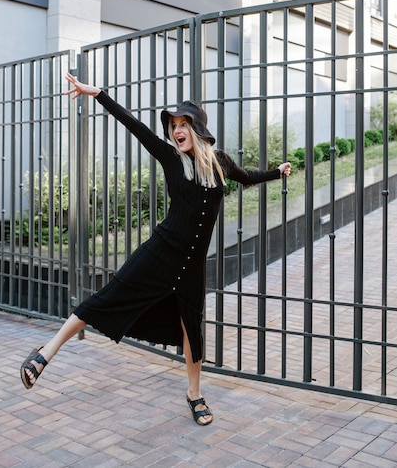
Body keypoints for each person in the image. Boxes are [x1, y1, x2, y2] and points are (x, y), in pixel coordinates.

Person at [20, 72, 291, 426]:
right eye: (173, 124)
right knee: (108, 297)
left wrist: (276, 172)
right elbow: (134, 126)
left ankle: (195, 394)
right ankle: (46, 352)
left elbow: (247, 177)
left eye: (183, 123)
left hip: (191, 266)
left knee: (191, 328)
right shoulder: (170, 157)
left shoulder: (220, 163)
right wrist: (98, 93)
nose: (176, 129)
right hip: (160, 252)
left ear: (197, 129)